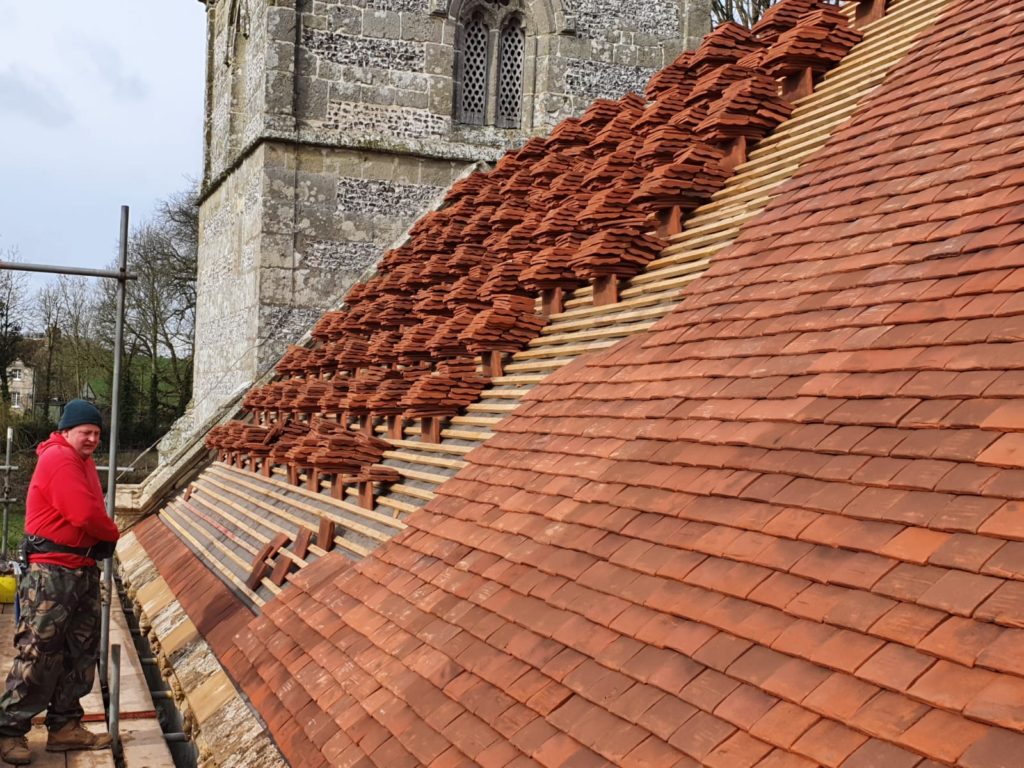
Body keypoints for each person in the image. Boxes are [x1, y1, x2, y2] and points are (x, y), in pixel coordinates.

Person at [0, 400, 120, 765]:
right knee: (39, 650)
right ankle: (9, 730)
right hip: (52, 573)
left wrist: (97, 539)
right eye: (86, 432)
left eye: (97, 433)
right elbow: (84, 513)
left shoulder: (80, 461)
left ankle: (65, 724)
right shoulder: (58, 458)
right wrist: (110, 535)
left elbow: (91, 510)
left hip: (79, 569)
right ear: (66, 431)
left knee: (79, 653)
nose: (93, 439)